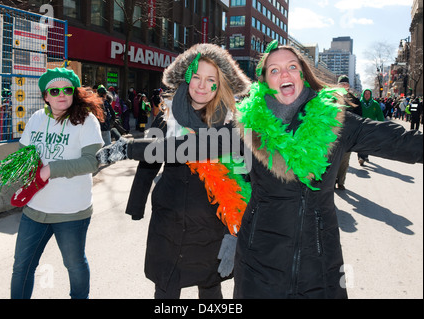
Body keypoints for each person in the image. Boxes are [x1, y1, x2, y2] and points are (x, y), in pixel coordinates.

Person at [97, 41, 422, 299]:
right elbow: (185, 148)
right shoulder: (247, 128)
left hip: (319, 267)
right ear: (265, 82)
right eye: (274, 69)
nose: (284, 74)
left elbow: (401, 142)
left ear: (303, 75)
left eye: (291, 66)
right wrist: (126, 147)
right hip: (259, 269)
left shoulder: (338, 124)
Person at [123, 43, 251, 299]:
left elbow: (244, 179)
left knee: (211, 287)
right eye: (196, 77)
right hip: (169, 221)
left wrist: (235, 232)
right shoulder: (166, 117)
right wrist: (136, 205)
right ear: (186, 78)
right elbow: (149, 161)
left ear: (221, 84)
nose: (202, 86)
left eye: (210, 79)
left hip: (211, 225)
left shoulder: (233, 125)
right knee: (166, 287)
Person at [10, 67, 104, 299]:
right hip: (35, 210)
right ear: (46, 96)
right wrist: (24, 168)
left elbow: (91, 162)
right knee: (22, 267)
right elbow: (24, 152)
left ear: (73, 93)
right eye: (54, 90)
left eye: (67, 89)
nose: (61, 94)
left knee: (74, 265)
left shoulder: (86, 121)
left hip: (71, 212)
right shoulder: (37, 118)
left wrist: (51, 169)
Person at [335, 75, 362, 190]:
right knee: (333, 160)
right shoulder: (332, 98)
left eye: (345, 84)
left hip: (348, 135)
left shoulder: (354, 100)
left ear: (348, 86)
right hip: (334, 135)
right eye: (341, 84)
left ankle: (341, 181)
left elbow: (359, 117)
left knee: (345, 160)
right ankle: (331, 181)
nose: (343, 86)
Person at [357, 89, 384, 166]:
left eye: (368, 94)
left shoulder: (375, 104)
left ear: (371, 95)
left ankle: (365, 156)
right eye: (365, 93)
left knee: (368, 142)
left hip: (370, 126)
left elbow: (379, 115)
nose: (367, 95)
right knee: (360, 142)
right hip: (360, 126)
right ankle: (360, 157)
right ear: (363, 94)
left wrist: (381, 124)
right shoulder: (359, 103)